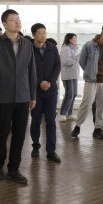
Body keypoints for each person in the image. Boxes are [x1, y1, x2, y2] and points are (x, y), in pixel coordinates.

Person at [0, 9, 36, 184]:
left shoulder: (27, 44)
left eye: (18, 19)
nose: (17, 22)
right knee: (1, 132)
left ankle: (14, 169)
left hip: (23, 96)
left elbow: (32, 71)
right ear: (5, 24)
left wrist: (33, 95)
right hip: (3, 97)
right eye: (13, 19)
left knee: (20, 134)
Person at [70, 23, 103, 139]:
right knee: (86, 104)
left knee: (102, 106)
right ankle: (77, 126)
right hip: (91, 80)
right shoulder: (89, 45)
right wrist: (90, 72)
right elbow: (82, 61)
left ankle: (98, 128)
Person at [30, 23, 61, 162]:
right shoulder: (29, 49)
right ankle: (36, 146)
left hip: (51, 90)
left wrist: (50, 82)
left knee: (51, 121)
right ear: (33, 35)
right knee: (35, 120)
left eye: (45, 32)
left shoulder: (52, 47)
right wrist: (39, 82)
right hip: (35, 91)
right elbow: (26, 69)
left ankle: (51, 151)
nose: (43, 35)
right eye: (40, 33)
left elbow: (57, 65)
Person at [58, 33, 79, 122]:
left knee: (74, 94)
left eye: (76, 38)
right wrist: (77, 58)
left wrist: (77, 58)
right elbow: (65, 61)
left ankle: (69, 113)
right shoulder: (65, 48)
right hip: (67, 75)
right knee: (69, 93)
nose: (75, 40)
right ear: (69, 40)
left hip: (74, 74)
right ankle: (63, 113)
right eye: (74, 39)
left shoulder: (74, 48)